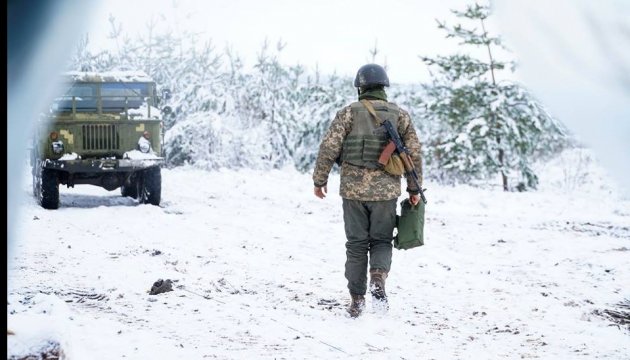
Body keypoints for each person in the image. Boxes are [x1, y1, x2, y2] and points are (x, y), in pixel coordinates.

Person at [312, 64, 423, 318]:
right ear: (384, 87)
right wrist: (414, 188)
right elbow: (413, 154)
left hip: (352, 191)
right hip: (386, 193)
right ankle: (378, 276)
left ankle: (357, 301)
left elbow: (328, 147)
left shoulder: (348, 113)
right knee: (382, 240)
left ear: (360, 87)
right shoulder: (400, 115)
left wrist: (320, 180)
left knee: (356, 244)